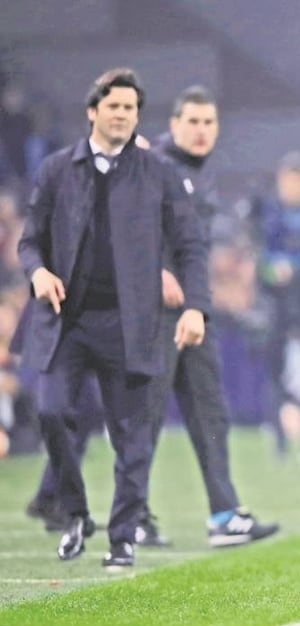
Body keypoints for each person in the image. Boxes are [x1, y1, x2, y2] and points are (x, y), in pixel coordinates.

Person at [18, 67, 210, 568]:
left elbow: (191, 245)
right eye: (114, 106)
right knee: (51, 411)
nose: (123, 114)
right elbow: (29, 238)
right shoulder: (58, 169)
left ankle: (122, 536)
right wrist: (37, 271)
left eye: (130, 108)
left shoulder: (159, 173)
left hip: (132, 325)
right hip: (67, 321)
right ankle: (77, 512)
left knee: (133, 437)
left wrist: (195, 306)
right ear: (93, 112)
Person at [146, 85, 279, 547]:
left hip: (193, 309)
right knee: (140, 414)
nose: (202, 131)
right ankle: (131, 515)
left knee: (210, 411)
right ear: (174, 124)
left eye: (209, 123)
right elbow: (128, 228)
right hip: (153, 311)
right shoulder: (151, 165)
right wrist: (156, 269)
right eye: (193, 122)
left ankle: (224, 515)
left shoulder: (197, 172)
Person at [244, 152, 300, 467]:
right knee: (274, 369)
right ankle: (279, 442)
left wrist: (296, 270)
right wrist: (272, 270)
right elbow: (259, 256)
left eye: (299, 181)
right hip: (276, 302)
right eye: (288, 180)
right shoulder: (267, 215)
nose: (292, 187)